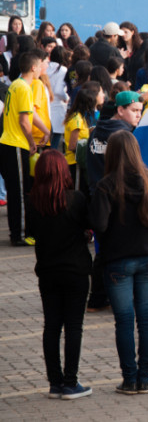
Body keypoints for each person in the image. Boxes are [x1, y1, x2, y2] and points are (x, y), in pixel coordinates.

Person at [89, 131, 148, 395]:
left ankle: (129, 379)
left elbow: (99, 224)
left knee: (124, 321)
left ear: (112, 153)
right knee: (147, 319)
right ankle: (145, 378)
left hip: (117, 261)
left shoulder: (106, 185)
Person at [28, 150, 93, 400]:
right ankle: (71, 382)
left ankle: (55, 382)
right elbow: (87, 226)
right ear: (64, 171)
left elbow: (33, 232)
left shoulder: (34, 202)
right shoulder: (75, 199)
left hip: (47, 271)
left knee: (51, 325)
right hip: (75, 270)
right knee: (74, 326)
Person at [0, 52, 42, 245]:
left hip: (8, 143)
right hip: (16, 144)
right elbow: (24, 121)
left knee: (16, 191)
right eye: (41, 64)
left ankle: (17, 232)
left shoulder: (15, 84)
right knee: (20, 192)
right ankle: (21, 235)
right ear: (33, 67)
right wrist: (32, 142)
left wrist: (44, 130)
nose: (42, 68)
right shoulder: (24, 88)